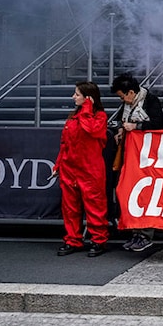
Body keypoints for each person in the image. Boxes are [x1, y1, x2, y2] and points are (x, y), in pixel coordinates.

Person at [54, 81, 109, 257]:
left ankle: (98, 240)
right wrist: (58, 164)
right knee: (70, 208)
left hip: (90, 170)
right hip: (70, 169)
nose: (73, 97)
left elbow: (91, 130)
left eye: (77, 94)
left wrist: (87, 109)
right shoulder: (73, 117)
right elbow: (64, 144)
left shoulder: (99, 116)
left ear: (88, 98)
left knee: (95, 206)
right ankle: (73, 240)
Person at [110, 72, 163, 252]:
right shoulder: (127, 105)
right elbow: (121, 121)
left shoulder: (151, 101)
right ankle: (135, 230)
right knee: (128, 191)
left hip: (147, 157)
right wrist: (121, 130)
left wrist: (137, 127)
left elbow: (157, 124)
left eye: (123, 96)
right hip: (130, 155)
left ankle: (145, 233)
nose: (122, 100)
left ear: (131, 92)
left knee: (144, 193)